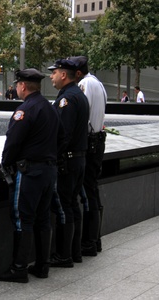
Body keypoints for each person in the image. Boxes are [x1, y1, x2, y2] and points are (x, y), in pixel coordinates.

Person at [0, 69, 61, 283]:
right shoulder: (51, 109)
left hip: (29, 173)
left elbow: (13, 141)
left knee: (22, 218)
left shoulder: (25, 110)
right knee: (43, 218)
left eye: (17, 85)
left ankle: (19, 268)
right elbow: (61, 137)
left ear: (22, 86)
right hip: (49, 171)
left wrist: (5, 164)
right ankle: (42, 266)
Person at [48, 59, 89, 268]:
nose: (51, 76)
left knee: (64, 207)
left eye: (54, 72)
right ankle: (74, 252)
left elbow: (63, 134)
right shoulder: (78, 95)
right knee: (73, 205)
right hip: (78, 158)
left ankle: (63, 255)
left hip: (68, 160)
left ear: (64, 75)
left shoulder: (67, 99)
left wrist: (52, 156)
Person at [69, 56, 107, 257]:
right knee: (93, 190)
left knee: (88, 192)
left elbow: (82, 114)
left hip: (89, 144)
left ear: (77, 73)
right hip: (98, 141)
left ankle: (89, 242)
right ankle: (95, 239)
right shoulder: (99, 84)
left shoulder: (84, 84)